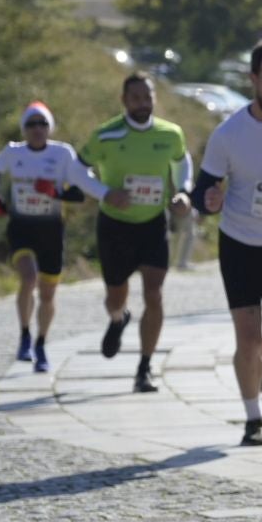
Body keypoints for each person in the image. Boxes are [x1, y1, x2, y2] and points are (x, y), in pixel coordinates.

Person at [191, 41, 262, 446]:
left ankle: (256, 362)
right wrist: (209, 200)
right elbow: (203, 190)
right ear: (253, 80)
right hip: (240, 244)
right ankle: (253, 418)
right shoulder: (229, 134)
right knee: (247, 336)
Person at [0, 101, 130, 372]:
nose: (37, 129)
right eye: (31, 124)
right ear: (24, 129)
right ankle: (24, 336)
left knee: (47, 293)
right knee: (28, 277)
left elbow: (78, 193)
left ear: (50, 128)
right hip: (21, 227)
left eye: (42, 124)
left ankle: (41, 344)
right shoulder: (12, 152)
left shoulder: (62, 154)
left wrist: (54, 193)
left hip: (51, 231)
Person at [80, 72, 191, 393]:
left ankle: (144, 367)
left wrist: (183, 190)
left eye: (148, 97)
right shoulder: (106, 135)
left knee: (154, 294)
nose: (143, 103)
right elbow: (76, 167)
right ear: (124, 101)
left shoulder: (170, 134)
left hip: (153, 224)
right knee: (116, 297)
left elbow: (181, 161)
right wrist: (104, 192)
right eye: (136, 98)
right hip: (115, 226)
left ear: (155, 98)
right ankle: (118, 319)